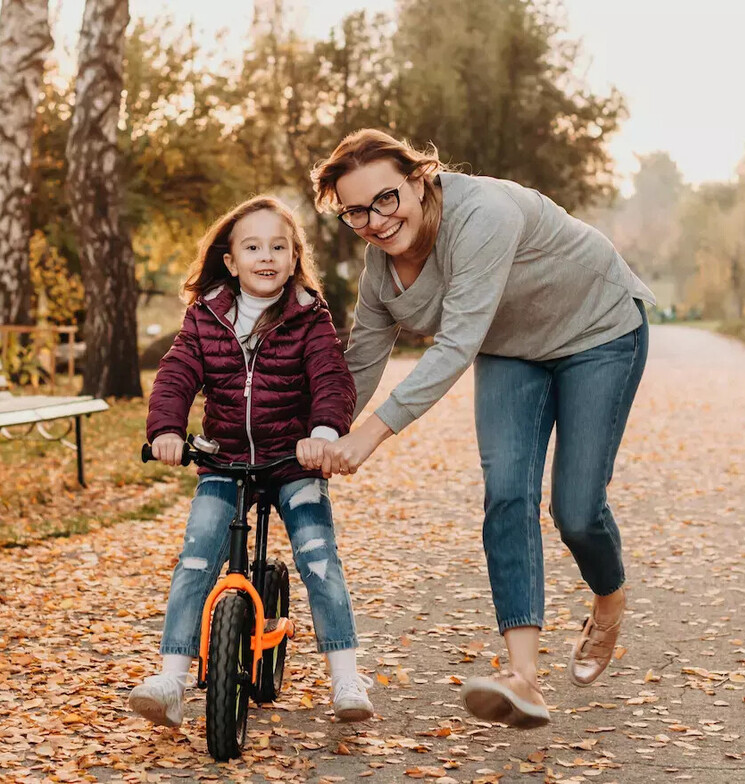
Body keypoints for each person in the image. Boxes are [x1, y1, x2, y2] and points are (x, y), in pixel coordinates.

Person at [310, 129, 655, 729]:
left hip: (597, 331)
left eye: (386, 199)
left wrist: (369, 436)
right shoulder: (380, 268)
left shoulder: (482, 214)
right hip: (512, 351)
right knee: (507, 492)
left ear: (420, 180)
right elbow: (360, 361)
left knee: (576, 510)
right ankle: (524, 678)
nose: (376, 222)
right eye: (356, 212)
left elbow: (456, 344)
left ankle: (609, 598)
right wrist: (321, 431)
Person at [129, 195, 374, 726]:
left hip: (293, 460)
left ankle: (346, 676)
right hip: (224, 461)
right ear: (231, 260)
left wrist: (323, 434)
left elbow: (332, 377)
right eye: (253, 247)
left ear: (294, 258)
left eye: (278, 247)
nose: (266, 257)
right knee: (197, 558)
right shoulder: (206, 316)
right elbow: (176, 374)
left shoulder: (309, 316)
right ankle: (171, 679)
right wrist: (167, 430)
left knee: (318, 556)